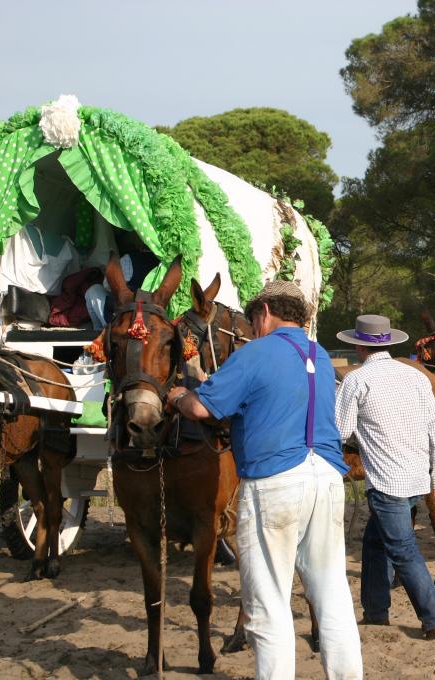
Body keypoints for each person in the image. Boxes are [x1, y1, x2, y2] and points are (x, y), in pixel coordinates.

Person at [167, 281, 362, 680]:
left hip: (276, 481)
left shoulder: (254, 353)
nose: (253, 327)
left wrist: (176, 397)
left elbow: (203, 409)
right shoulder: (320, 356)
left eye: (254, 317)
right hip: (326, 478)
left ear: (266, 311)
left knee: (268, 602)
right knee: (332, 595)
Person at [334, 314, 435, 640]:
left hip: (388, 482)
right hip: (416, 477)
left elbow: (340, 431)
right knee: (375, 541)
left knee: (403, 550)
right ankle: (375, 611)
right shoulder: (416, 377)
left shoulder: (356, 381)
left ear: (359, 347)